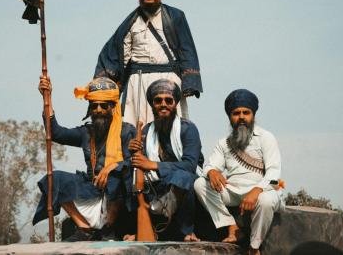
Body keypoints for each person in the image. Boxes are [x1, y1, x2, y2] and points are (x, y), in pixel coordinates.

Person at [94, 0, 202, 125]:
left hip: (169, 82)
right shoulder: (130, 22)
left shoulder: (176, 17)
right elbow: (114, 53)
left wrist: (189, 83)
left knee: (172, 132)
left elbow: (187, 49)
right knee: (136, 134)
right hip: (137, 85)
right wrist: (104, 84)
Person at [32, 76, 136, 241]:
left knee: (116, 176)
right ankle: (84, 229)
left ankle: (108, 229)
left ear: (113, 107)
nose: (99, 109)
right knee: (53, 179)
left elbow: (135, 162)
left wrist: (112, 166)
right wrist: (47, 97)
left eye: (104, 105)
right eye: (94, 106)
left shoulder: (127, 131)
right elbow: (56, 133)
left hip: (118, 196)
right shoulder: (86, 132)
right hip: (91, 188)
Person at [194, 89, 284, 255]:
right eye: (236, 113)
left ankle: (254, 247)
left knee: (265, 201)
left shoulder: (266, 138)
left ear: (253, 115)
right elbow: (208, 165)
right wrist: (212, 171)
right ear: (230, 117)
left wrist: (257, 190)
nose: (241, 117)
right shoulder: (224, 143)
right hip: (234, 191)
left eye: (246, 112)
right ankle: (232, 226)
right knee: (200, 184)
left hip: (264, 189)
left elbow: (274, 176)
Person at [126, 79, 203, 242]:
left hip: (183, 185)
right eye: (158, 100)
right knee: (126, 172)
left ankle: (185, 232)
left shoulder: (188, 128)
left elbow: (190, 165)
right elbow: (139, 165)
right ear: (152, 105)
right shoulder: (146, 130)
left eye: (168, 100)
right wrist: (134, 152)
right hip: (155, 184)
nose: (163, 104)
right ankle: (141, 229)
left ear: (175, 104)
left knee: (182, 177)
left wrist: (153, 165)